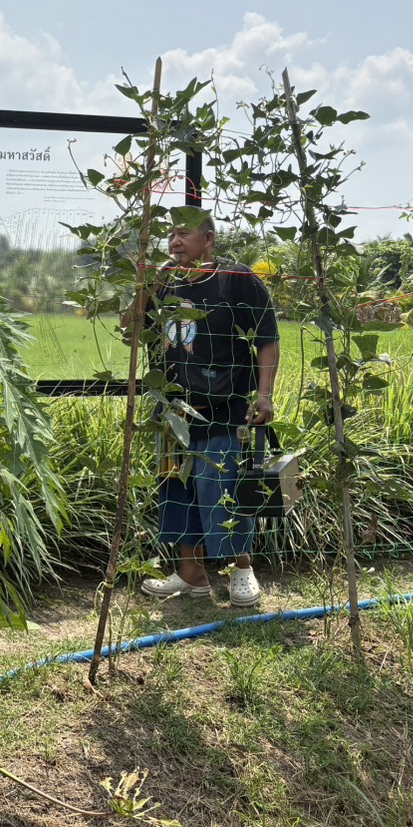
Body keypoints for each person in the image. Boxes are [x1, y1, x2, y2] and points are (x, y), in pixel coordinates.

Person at [139, 212, 279, 608]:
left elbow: (267, 338)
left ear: (209, 240)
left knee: (226, 489)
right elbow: (132, 328)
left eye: (183, 234)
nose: (174, 242)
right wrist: (141, 283)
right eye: (170, 235)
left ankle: (242, 570)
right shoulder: (163, 280)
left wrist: (263, 396)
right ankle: (191, 575)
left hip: (224, 407)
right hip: (172, 411)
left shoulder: (237, 280)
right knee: (176, 489)